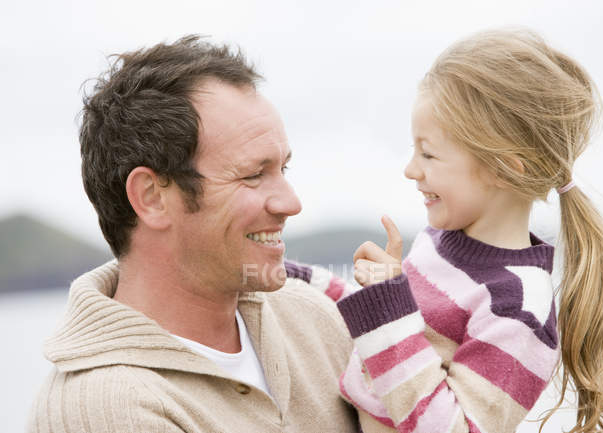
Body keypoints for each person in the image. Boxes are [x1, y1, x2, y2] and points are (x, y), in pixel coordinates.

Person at [297, 29, 603, 433]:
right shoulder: (441, 244)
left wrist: (388, 306)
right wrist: (306, 280)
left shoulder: (516, 310)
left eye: (428, 153)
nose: (411, 169)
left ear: (504, 168)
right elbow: (393, 336)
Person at [27, 36, 358, 433]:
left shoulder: (315, 315)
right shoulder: (104, 408)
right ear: (151, 198)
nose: (290, 203)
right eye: (253, 175)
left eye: (282, 170)